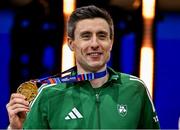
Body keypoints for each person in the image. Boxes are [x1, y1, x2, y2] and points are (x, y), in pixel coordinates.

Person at [6, 5, 160, 129]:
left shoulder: (135, 89)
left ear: (111, 42)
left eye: (102, 36)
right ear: (71, 43)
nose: (94, 44)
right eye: (86, 36)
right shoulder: (48, 94)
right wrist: (15, 129)